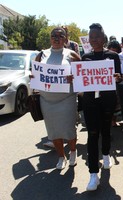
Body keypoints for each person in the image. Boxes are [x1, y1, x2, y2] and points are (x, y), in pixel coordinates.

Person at [33, 27, 81, 169]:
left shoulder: (71, 54)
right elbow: (35, 73)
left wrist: (74, 78)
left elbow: (82, 74)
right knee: (53, 130)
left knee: (68, 128)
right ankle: (61, 156)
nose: (56, 38)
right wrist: (33, 77)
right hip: (47, 101)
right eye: (54, 35)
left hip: (67, 99)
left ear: (65, 39)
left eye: (60, 36)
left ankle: (73, 151)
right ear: (50, 38)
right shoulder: (41, 55)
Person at [81, 23, 121, 191]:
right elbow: (81, 79)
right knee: (92, 134)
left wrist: (117, 78)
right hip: (90, 102)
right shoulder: (85, 57)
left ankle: (105, 155)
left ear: (103, 38)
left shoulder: (113, 56)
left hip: (107, 100)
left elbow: (118, 78)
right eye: (91, 37)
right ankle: (92, 174)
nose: (94, 40)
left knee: (105, 130)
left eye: (97, 36)